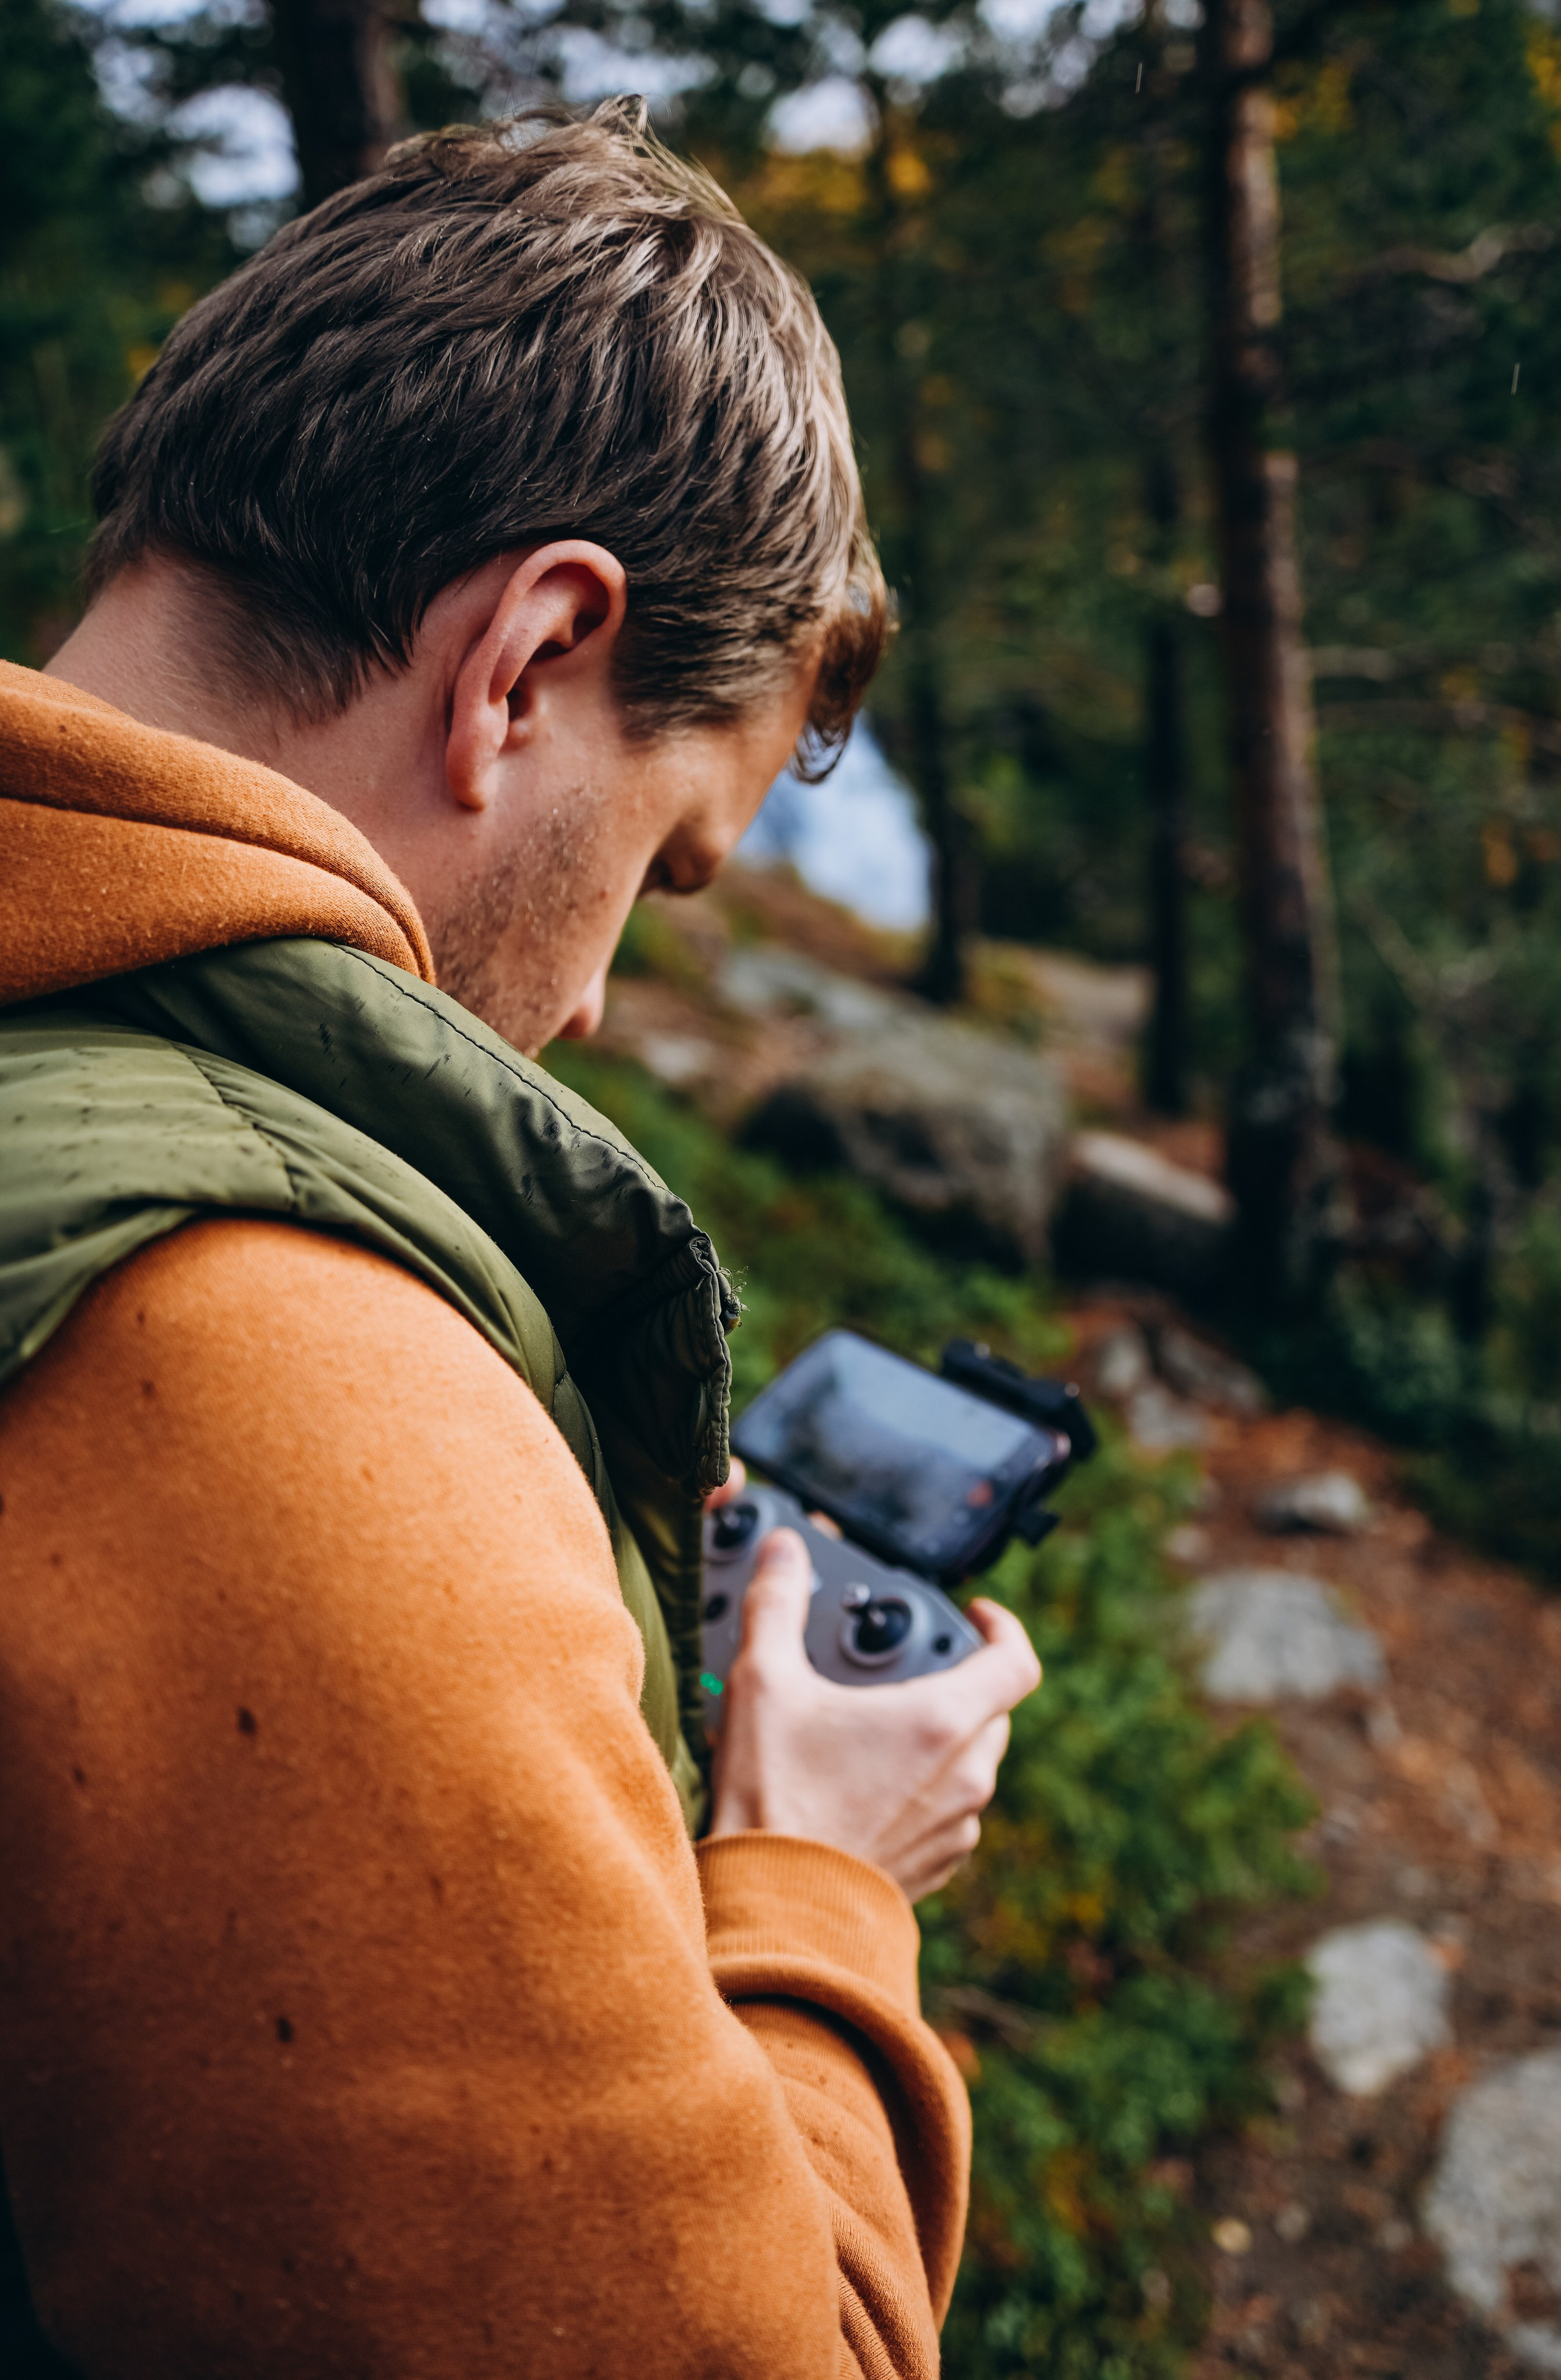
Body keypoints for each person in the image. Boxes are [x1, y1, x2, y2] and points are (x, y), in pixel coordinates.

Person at [0, 102, 1040, 2378]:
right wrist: (820, 1878)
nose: (584, 1009)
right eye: (665, 869)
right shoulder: (281, 1377)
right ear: (526, 659)